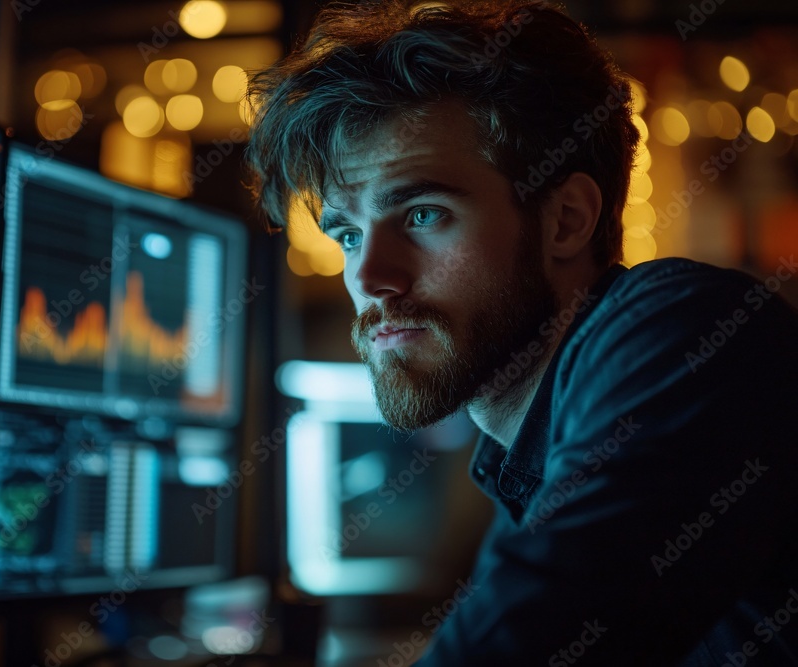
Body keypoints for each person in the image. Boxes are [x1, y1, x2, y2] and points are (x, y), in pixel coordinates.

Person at [243, 1, 798, 664]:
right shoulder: (520, 460)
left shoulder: (691, 333)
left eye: (422, 213)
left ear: (566, 219)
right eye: (349, 234)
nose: (371, 277)